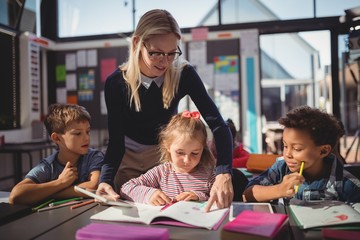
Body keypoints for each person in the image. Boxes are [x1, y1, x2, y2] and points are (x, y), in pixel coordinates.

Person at [97, 9, 234, 211]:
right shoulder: (116, 83)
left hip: (165, 155)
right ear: (137, 43)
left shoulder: (183, 73)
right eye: (156, 53)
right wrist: (105, 180)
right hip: (128, 156)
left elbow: (218, 126)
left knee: (168, 211)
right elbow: (116, 142)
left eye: (172, 53)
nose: (165, 61)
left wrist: (224, 172)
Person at [243, 105, 360, 203]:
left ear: (323, 151)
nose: (287, 154)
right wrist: (279, 190)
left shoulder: (347, 184)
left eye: (297, 149)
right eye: (285, 146)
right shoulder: (281, 169)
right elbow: (246, 195)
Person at [9, 104, 104, 205]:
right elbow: (15, 195)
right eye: (77, 133)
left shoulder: (94, 156)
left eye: (87, 131)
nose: (87, 138)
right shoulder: (48, 166)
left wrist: (50, 193)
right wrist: (60, 182)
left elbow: (94, 186)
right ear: (56, 138)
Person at [120, 111, 215, 205]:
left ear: (203, 148)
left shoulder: (209, 175)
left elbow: (222, 199)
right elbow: (126, 188)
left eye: (195, 153)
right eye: (180, 153)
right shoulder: (161, 172)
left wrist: (199, 196)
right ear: (168, 146)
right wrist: (149, 194)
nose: (187, 160)